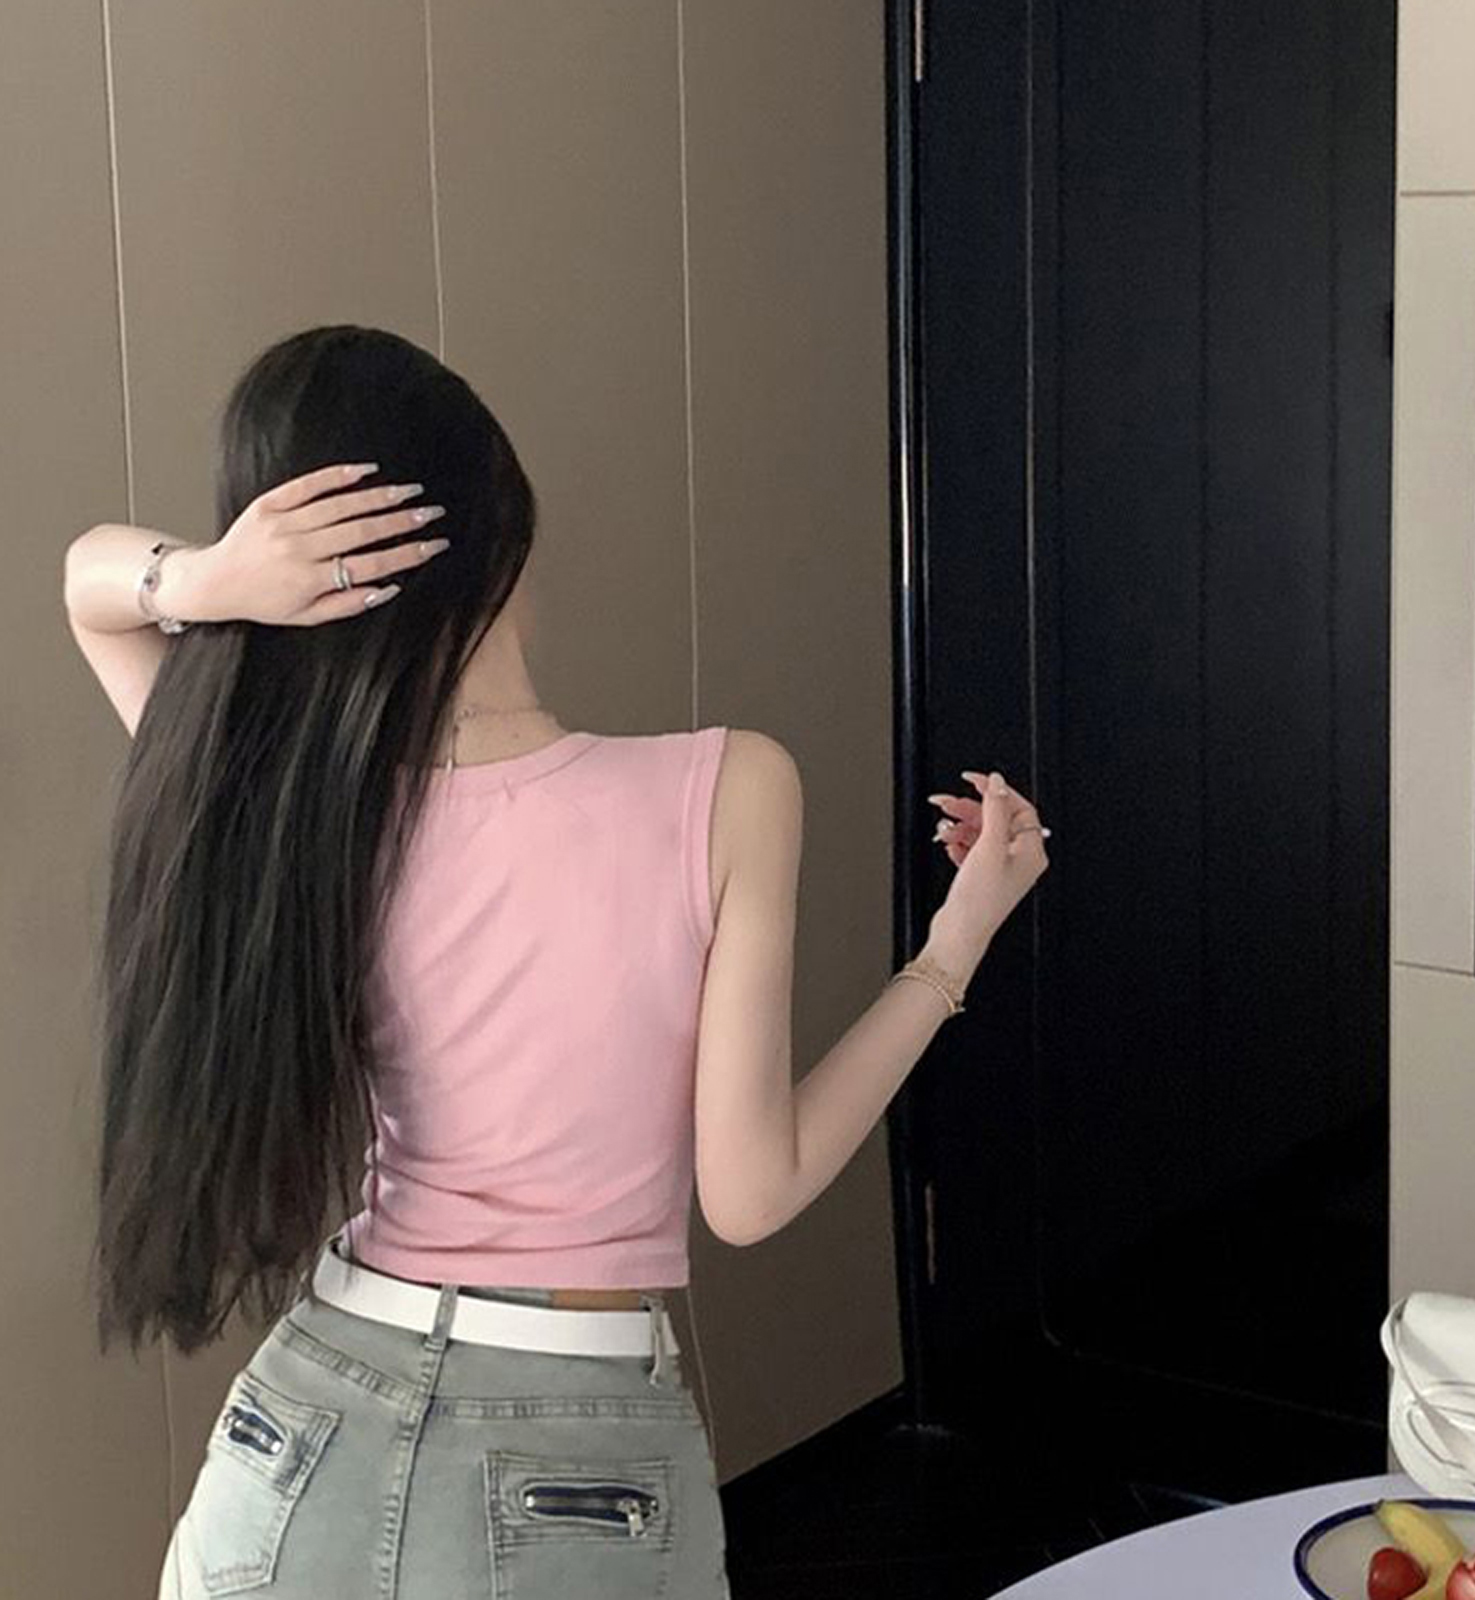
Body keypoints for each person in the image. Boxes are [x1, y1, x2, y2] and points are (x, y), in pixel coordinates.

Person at [61, 324, 1051, 1599]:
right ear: (509, 538)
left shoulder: (293, 814)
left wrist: (205, 579)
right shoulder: (727, 788)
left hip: (295, 1432)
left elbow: (88, 590)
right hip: (572, 1457)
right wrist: (954, 943)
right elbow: (750, 1193)